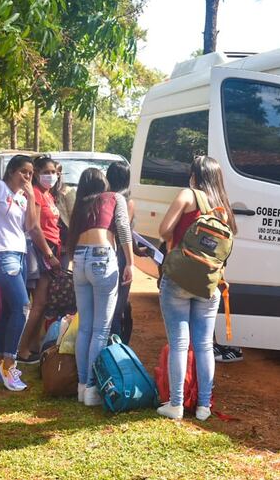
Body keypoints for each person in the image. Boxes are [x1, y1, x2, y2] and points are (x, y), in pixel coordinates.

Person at [156, 156, 237, 421]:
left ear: (194, 176)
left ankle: (176, 404)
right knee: (204, 346)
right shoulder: (223, 206)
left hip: (178, 279)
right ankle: (204, 406)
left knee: (179, 344)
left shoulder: (187, 195)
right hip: (210, 284)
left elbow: (163, 230)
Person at [68, 168, 134, 406]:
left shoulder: (80, 205)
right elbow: (123, 228)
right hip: (102, 258)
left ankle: (81, 386)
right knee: (101, 329)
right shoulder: (114, 198)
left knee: (85, 328)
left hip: (80, 258)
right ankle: (92, 389)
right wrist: (131, 262)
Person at [0, 155, 37, 391]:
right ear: (11, 171)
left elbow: (30, 226)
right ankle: (9, 364)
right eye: (23, 171)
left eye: (30, 173)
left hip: (20, 255)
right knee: (23, 307)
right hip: (2, 255)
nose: (27, 176)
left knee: (10, 310)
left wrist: (31, 197)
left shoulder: (22, 197)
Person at [17, 155, 62, 363]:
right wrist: (49, 254)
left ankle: (34, 345)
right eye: (46, 172)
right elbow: (34, 227)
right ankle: (22, 349)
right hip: (40, 251)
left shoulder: (48, 195)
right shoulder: (35, 193)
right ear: (36, 174)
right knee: (39, 303)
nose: (50, 176)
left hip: (50, 248)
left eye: (53, 172)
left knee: (41, 304)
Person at [106, 161, 136, 345]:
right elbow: (123, 231)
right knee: (117, 307)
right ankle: (115, 348)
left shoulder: (103, 199)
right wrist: (131, 261)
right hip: (121, 256)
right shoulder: (126, 201)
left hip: (106, 252)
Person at [52, 162, 76, 270]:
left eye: (54, 172)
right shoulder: (42, 192)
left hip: (64, 240)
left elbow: (73, 217)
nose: (50, 176)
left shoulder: (67, 191)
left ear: (59, 174)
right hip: (47, 240)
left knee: (62, 272)